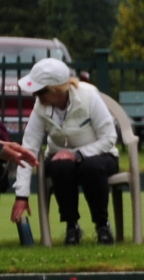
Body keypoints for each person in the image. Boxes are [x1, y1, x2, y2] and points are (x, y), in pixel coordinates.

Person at [10, 58, 120, 245]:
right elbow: (29, 148)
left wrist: (77, 154)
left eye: (40, 91)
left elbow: (109, 138)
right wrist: (22, 195)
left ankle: (102, 225)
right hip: (61, 160)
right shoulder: (40, 106)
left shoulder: (89, 96)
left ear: (56, 90)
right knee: (61, 166)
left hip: (101, 156)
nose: (35, 95)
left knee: (91, 167)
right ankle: (72, 227)